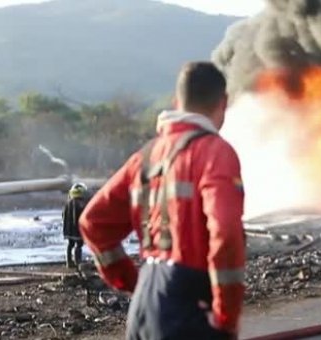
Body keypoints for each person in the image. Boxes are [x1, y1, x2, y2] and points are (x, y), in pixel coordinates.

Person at [79, 62, 245, 339]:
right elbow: (226, 232)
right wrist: (226, 314)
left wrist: (133, 281)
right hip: (191, 309)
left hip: (144, 309)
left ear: (177, 101)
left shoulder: (146, 156)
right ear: (223, 102)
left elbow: (92, 222)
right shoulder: (216, 152)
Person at [62, 182, 88, 268]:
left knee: (70, 244)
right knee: (79, 244)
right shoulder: (82, 204)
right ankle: (78, 261)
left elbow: (63, 216)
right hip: (78, 229)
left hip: (68, 229)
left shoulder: (67, 203)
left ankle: (69, 262)